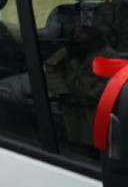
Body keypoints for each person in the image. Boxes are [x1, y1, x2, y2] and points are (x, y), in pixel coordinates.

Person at [45, 24, 117, 155]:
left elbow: (111, 76)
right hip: (71, 105)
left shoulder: (107, 53)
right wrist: (63, 93)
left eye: (82, 32)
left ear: (92, 34)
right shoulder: (66, 52)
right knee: (73, 140)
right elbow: (51, 71)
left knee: (97, 140)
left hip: (96, 106)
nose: (77, 35)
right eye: (75, 33)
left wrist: (93, 95)